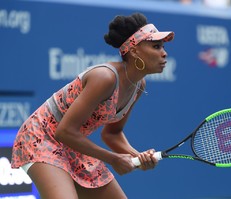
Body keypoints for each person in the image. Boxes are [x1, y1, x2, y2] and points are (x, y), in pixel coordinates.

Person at [11, 12, 174, 199]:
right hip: (41, 137)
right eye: (156, 46)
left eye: (162, 47)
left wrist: (137, 156)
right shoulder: (105, 77)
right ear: (134, 51)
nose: (164, 53)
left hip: (73, 143)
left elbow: (112, 133)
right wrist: (113, 158)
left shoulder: (138, 85)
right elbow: (64, 132)